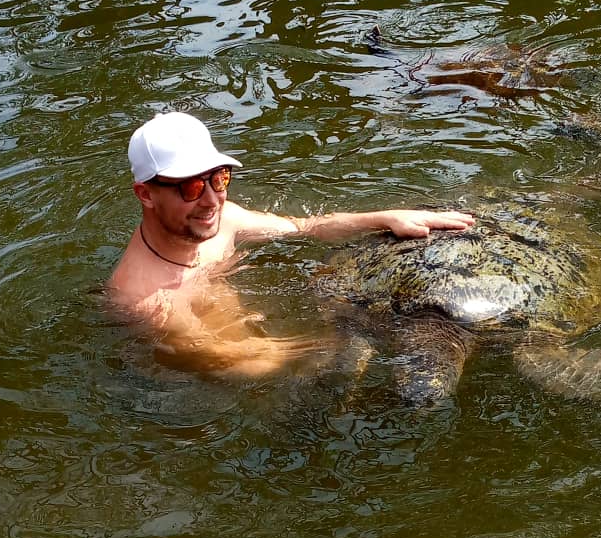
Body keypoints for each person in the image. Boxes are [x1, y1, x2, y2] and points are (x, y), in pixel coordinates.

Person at [107, 111, 476, 377]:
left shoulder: (225, 219)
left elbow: (304, 227)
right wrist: (325, 346)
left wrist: (386, 217)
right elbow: (230, 358)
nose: (210, 200)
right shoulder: (143, 296)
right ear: (146, 194)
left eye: (218, 178)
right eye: (190, 187)